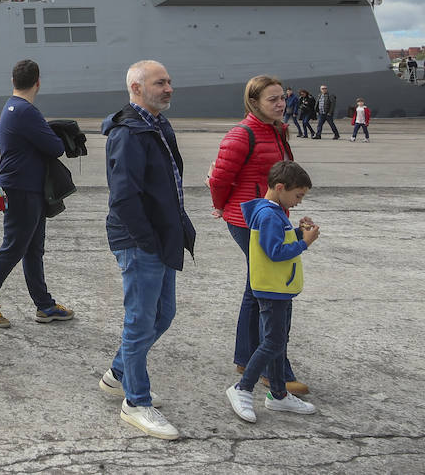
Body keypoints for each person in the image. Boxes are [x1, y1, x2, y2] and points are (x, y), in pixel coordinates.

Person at [98, 60, 195, 441]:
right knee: (140, 322)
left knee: (163, 314)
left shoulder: (155, 123)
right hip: (140, 241)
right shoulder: (129, 133)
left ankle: (118, 374)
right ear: (137, 88)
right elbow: (124, 197)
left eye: (170, 81)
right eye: (160, 83)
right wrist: (147, 240)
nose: (169, 88)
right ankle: (135, 402)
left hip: (160, 236)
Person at [207, 75, 308, 397]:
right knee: (269, 288)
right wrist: (221, 207)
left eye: (282, 97)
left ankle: (245, 357)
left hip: (271, 217)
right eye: (272, 99)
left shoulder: (277, 130)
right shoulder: (242, 134)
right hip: (249, 219)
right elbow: (219, 177)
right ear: (254, 102)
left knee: (256, 286)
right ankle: (269, 368)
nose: (281, 104)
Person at [0, 59, 71, 330]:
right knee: (14, 246)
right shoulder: (26, 111)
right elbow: (54, 147)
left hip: (28, 188)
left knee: (32, 250)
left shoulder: (12, 107)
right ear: (38, 82)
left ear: (13, 81)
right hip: (23, 189)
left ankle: (45, 305)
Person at [225, 160, 320, 421]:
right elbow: (275, 252)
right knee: (273, 342)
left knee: (279, 342)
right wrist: (305, 244)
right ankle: (242, 388)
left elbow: (280, 242)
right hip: (271, 290)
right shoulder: (268, 215)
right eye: (297, 195)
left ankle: (278, 395)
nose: (299, 201)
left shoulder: (274, 212)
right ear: (280, 187)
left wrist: (300, 234)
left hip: (280, 288)